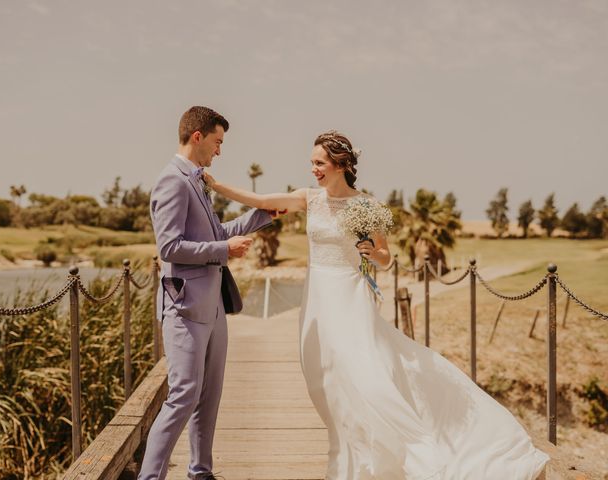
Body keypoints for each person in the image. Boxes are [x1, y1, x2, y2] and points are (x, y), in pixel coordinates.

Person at [202, 130, 549, 479]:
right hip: (318, 297)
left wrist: (373, 253)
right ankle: (346, 453)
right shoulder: (309, 198)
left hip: (350, 297)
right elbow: (260, 200)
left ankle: (384, 455)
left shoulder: (366, 206)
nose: (314, 169)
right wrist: (217, 186)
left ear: (340, 165)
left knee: (362, 374)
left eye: (319, 163)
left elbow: (385, 258)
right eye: (312, 163)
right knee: (324, 378)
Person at [138, 106, 273, 480]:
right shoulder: (173, 181)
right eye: (217, 141)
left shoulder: (197, 181)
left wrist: (266, 214)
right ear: (197, 137)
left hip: (213, 308)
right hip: (184, 307)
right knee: (183, 397)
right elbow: (169, 247)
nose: (219, 150)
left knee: (209, 398)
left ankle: (201, 472)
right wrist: (224, 251)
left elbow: (215, 233)